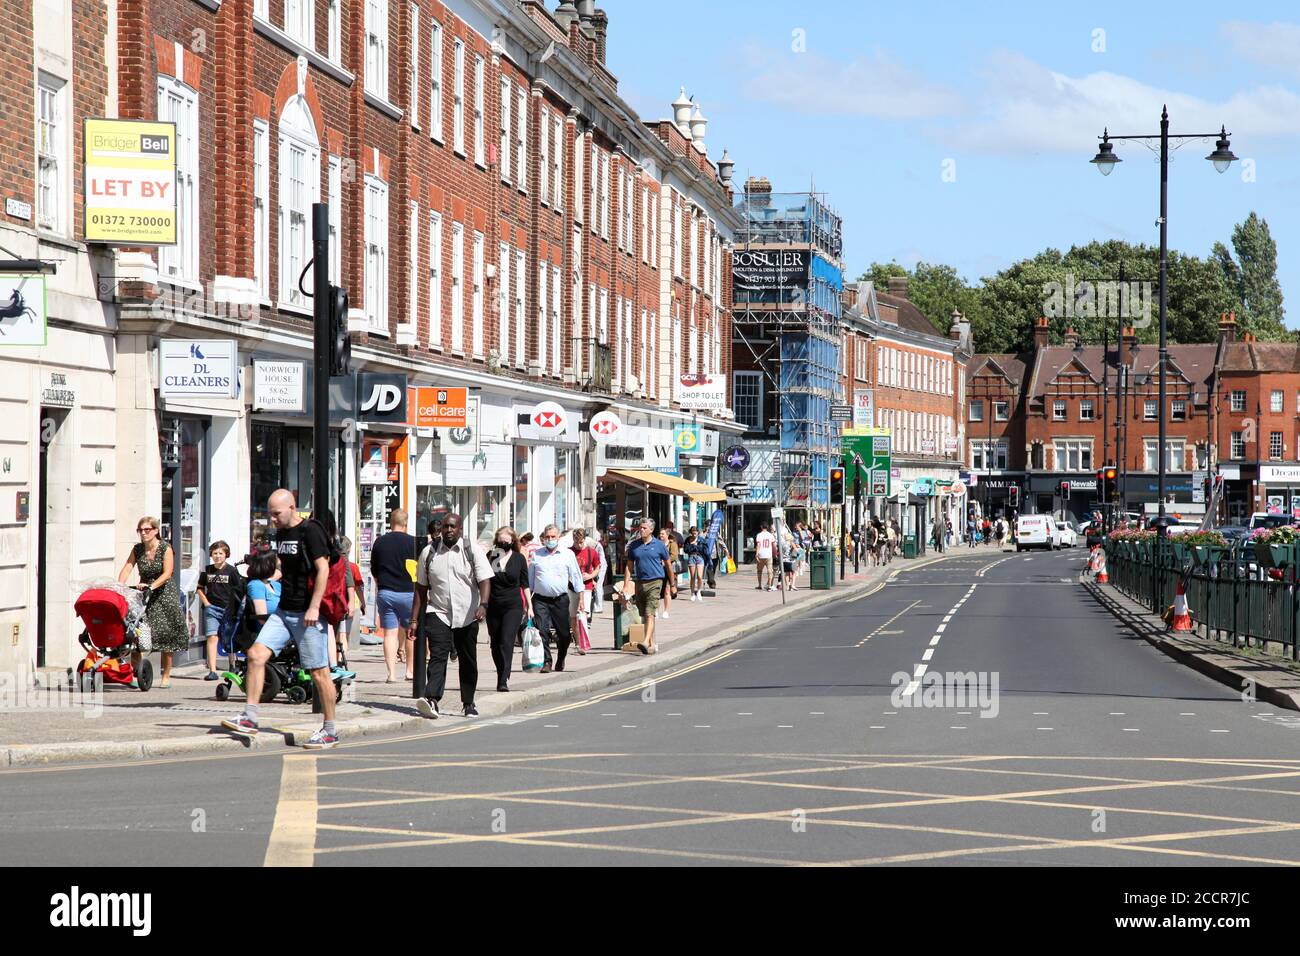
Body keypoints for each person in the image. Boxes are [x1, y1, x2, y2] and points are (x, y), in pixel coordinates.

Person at [220, 490, 339, 749]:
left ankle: (330, 730)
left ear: (292, 507)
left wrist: (315, 607)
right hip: (285, 611)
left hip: (309, 614)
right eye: (270, 514)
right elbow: (289, 567)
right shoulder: (283, 534)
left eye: (276, 514)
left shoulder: (311, 530)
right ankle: (250, 717)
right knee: (255, 655)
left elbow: (323, 569)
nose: (272, 519)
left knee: (319, 673)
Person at [412, 513, 492, 718]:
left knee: (467, 660)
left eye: (452, 527)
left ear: (460, 529)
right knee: (438, 656)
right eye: (445, 527)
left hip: (468, 614)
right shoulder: (429, 552)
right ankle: (432, 699)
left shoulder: (471, 550)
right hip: (438, 612)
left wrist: (483, 605)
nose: (448, 530)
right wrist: (414, 619)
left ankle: (468, 703)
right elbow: (421, 588)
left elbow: (484, 580)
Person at [117, 516, 189, 688]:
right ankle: (137, 673)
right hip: (144, 593)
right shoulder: (138, 549)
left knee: (166, 633)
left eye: (147, 530)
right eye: (140, 530)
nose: (143, 533)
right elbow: (127, 567)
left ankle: (166, 675)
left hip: (164, 592)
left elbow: (168, 572)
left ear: (156, 531)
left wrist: (152, 586)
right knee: (136, 632)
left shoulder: (165, 548)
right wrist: (119, 586)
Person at [369, 509, 419, 683]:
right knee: (411, 633)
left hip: (386, 592)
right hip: (409, 593)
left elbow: (373, 568)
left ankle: (391, 674)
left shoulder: (380, 542)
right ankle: (410, 671)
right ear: (405, 524)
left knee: (389, 634)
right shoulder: (413, 542)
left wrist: (379, 584)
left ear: (391, 523)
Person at [527, 523, 583, 673]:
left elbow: (576, 577)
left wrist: (581, 599)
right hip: (540, 599)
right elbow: (530, 581)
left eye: (553, 537)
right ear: (543, 538)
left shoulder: (567, 554)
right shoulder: (536, 555)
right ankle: (547, 661)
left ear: (558, 537)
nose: (550, 539)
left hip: (560, 599)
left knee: (564, 634)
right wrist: (528, 604)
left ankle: (561, 657)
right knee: (542, 631)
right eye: (547, 537)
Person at [485, 526, 531, 692]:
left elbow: (525, 584)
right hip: (493, 605)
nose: (503, 543)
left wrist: (529, 606)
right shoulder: (493, 557)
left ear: (513, 541)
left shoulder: (519, 559)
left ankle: (503, 678)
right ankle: (501, 671)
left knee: (507, 641)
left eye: (506, 541)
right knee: (495, 644)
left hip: (513, 605)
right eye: (500, 541)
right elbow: (485, 582)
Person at [620, 518, 671, 654]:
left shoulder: (659, 545)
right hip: (640, 582)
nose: (641, 530)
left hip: (655, 582)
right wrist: (626, 586)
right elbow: (629, 566)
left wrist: (673, 584)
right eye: (640, 528)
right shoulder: (634, 546)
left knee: (650, 613)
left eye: (644, 528)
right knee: (644, 615)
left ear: (651, 530)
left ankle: (644, 641)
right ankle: (651, 644)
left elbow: (668, 565)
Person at [197, 540, 244, 681]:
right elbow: (199, 588)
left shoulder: (232, 571)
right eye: (215, 553)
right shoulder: (207, 570)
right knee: (212, 637)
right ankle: (212, 670)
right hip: (211, 608)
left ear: (226, 555)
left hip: (228, 609)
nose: (217, 556)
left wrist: (236, 607)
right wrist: (206, 604)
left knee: (229, 637)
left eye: (220, 553)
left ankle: (232, 664)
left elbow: (239, 590)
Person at [570, 528, 602, 644]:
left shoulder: (591, 552)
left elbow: (598, 567)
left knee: (583, 614)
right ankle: (578, 641)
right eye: (576, 542)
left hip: (586, 586)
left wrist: (590, 576)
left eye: (581, 542)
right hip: (571, 588)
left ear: (585, 540)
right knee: (573, 617)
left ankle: (584, 642)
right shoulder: (569, 552)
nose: (579, 545)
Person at [658, 527, 679, 619]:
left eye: (662, 534)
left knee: (667, 591)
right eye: (660, 534)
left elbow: (674, 555)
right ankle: (656, 611)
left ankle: (666, 611)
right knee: (657, 591)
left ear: (667, 535)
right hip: (658, 569)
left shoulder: (672, 544)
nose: (661, 535)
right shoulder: (657, 544)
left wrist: (665, 561)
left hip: (668, 569)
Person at [684, 527, 708, 601]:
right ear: (691, 532)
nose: (694, 534)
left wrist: (696, 546)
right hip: (691, 557)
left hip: (700, 558)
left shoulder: (701, 540)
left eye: (695, 532)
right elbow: (686, 550)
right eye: (693, 532)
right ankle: (692, 593)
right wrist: (692, 545)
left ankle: (699, 591)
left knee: (700, 577)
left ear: (698, 532)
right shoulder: (688, 540)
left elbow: (704, 550)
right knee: (692, 577)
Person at [755, 521, 776, 591]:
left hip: (761, 554)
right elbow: (773, 546)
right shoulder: (771, 535)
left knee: (759, 571)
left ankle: (760, 585)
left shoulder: (759, 535)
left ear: (761, 527)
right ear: (767, 527)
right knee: (770, 571)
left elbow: (758, 545)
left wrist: (757, 554)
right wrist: (775, 553)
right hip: (769, 555)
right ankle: (769, 585)